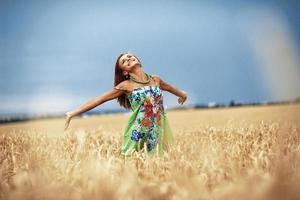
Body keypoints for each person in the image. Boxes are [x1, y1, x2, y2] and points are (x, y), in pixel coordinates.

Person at [64, 52, 188, 158]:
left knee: (159, 163)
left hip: (158, 128)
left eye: (130, 56)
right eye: (124, 61)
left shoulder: (155, 79)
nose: (128, 58)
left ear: (138, 60)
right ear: (124, 72)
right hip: (138, 131)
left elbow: (171, 88)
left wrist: (183, 95)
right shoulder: (125, 85)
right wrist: (72, 113)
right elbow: (98, 100)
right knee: (134, 162)